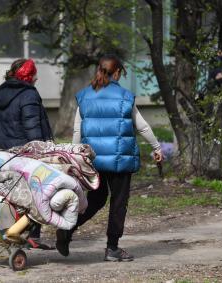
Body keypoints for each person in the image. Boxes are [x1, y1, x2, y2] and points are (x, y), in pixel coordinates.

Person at [55, 54, 163, 262]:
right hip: (120, 160)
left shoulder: (84, 96)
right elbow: (142, 126)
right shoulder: (125, 96)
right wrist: (156, 147)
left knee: (95, 200)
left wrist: (75, 155)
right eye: (120, 72)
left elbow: (78, 131)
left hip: (94, 160)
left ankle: (67, 229)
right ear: (116, 73)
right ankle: (112, 248)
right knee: (119, 202)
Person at [0, 58, 53, 249]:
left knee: (12, 195)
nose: (37, 78)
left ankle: (8, 230)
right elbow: (32, 127)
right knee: (36, 193)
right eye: (34, 74)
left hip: (2, 152)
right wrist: (41, 151)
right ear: (28, 75)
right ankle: (31, 235)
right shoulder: (28, 95)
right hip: (25, 153)